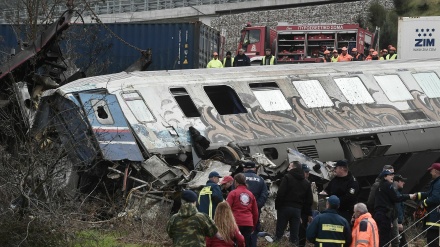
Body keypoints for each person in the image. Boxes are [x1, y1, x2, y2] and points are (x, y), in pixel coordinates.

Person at [275, 161, 313, 245]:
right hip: (297, 210)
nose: (288, 169)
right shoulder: (306, 182)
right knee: (294, 235)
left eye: (290, 167)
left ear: (294, 168)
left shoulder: (287, 177)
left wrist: (277, 206)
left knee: (279, 233)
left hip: (284, 208)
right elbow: (309, 200)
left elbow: (281, 193)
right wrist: (307, 213)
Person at [373, 170, 413, 247]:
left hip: (378, 214)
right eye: (390, 175)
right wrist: (409, 196)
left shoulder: (378, 187)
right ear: (385, 177)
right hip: (385, 215)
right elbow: (396, 198)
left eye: (392, 175)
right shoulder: (388, 185)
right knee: (386, 239)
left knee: (380, 238)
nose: (392, 176)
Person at [227, 173, 259, 247]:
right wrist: (253, 225)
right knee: (246, 244)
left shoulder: (233, 193)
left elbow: (226, 209)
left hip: (235, 223)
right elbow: (255, 212)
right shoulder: (251, 194)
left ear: (236, 182)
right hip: (248, 224)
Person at [242, 161, 268, 247]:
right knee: (253, 232)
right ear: (255, 169)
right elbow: (264, 195)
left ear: (244, 169)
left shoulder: (238, 179)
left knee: (240, 233)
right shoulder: (260, 180)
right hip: (255, 211)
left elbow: (234, 193)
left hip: (241, 211)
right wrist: (256, 206)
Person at [414, 163, 440, 247]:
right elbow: (429, 194)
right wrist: (417, 195)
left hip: (435, 216)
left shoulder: (438, 183)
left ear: (436, 171)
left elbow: (436, 198)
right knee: (431, 240)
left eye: (431, 171)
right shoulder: (436, 182)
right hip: (434, 215)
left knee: (432, 241)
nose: (430, 173)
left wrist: (423, 203)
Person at [299, 163, 315, 247]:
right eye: (306, 172)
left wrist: (309, 214)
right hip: (298, 211)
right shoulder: (304, 183)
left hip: (303, 212)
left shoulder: (307, 183)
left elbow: (309, 201)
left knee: (301, 233)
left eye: (308, 172)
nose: (308, 174)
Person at [393, 174, 407, 247]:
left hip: (395, 222)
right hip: (397, 223)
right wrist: (399, 222)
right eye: (402, 181)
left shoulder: (396, 192)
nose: (403, 183)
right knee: (401, 243)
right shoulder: (396, 194)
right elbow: (397, 209)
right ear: (396, 182)